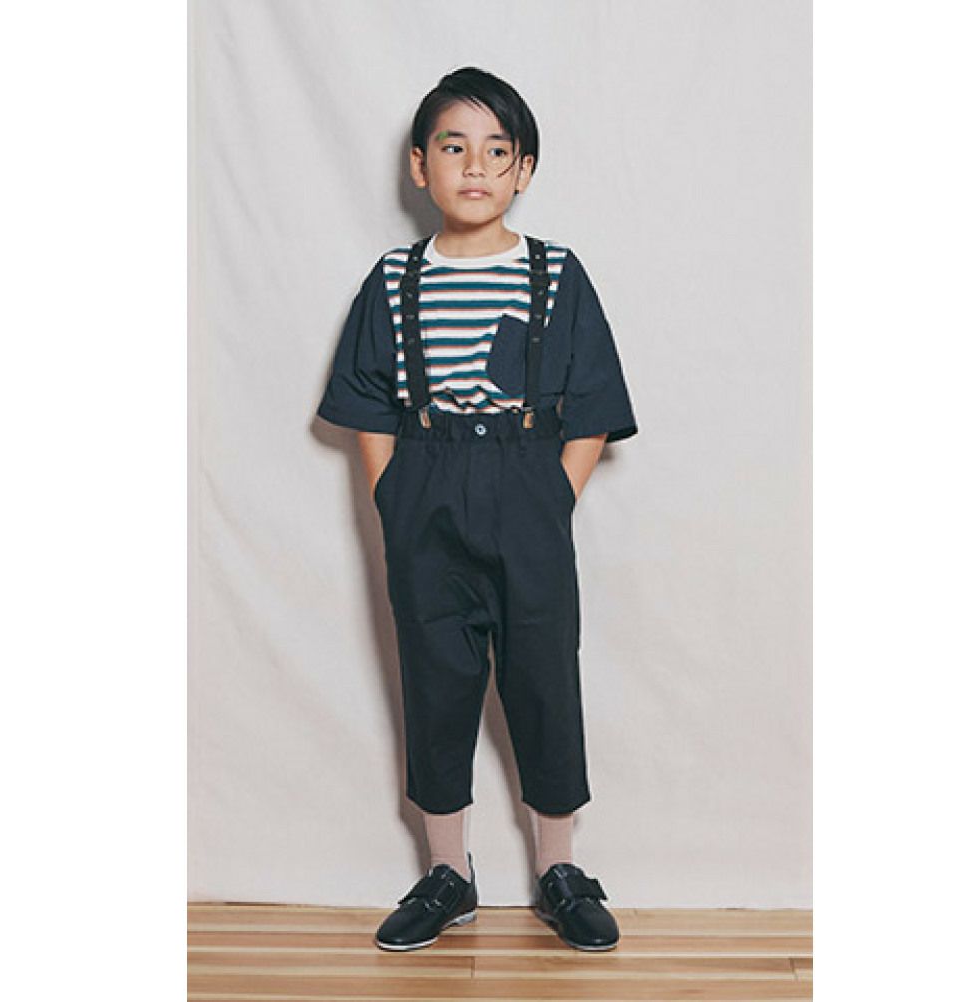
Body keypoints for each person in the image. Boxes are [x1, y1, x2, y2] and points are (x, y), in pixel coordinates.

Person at [315, 66, 638, 952]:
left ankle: (560, 871)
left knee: (544, 679)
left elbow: (593, 405)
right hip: (425, 485)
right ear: (420, 166)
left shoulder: (555, 273)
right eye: (454, 147)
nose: (475, 167)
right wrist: (392, 493)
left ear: (524, 169)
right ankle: (447, 874)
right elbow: (366, 402)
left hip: (527, 485)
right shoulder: (393, 278)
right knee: (435, 678)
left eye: (498, 151)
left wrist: (551, 495)